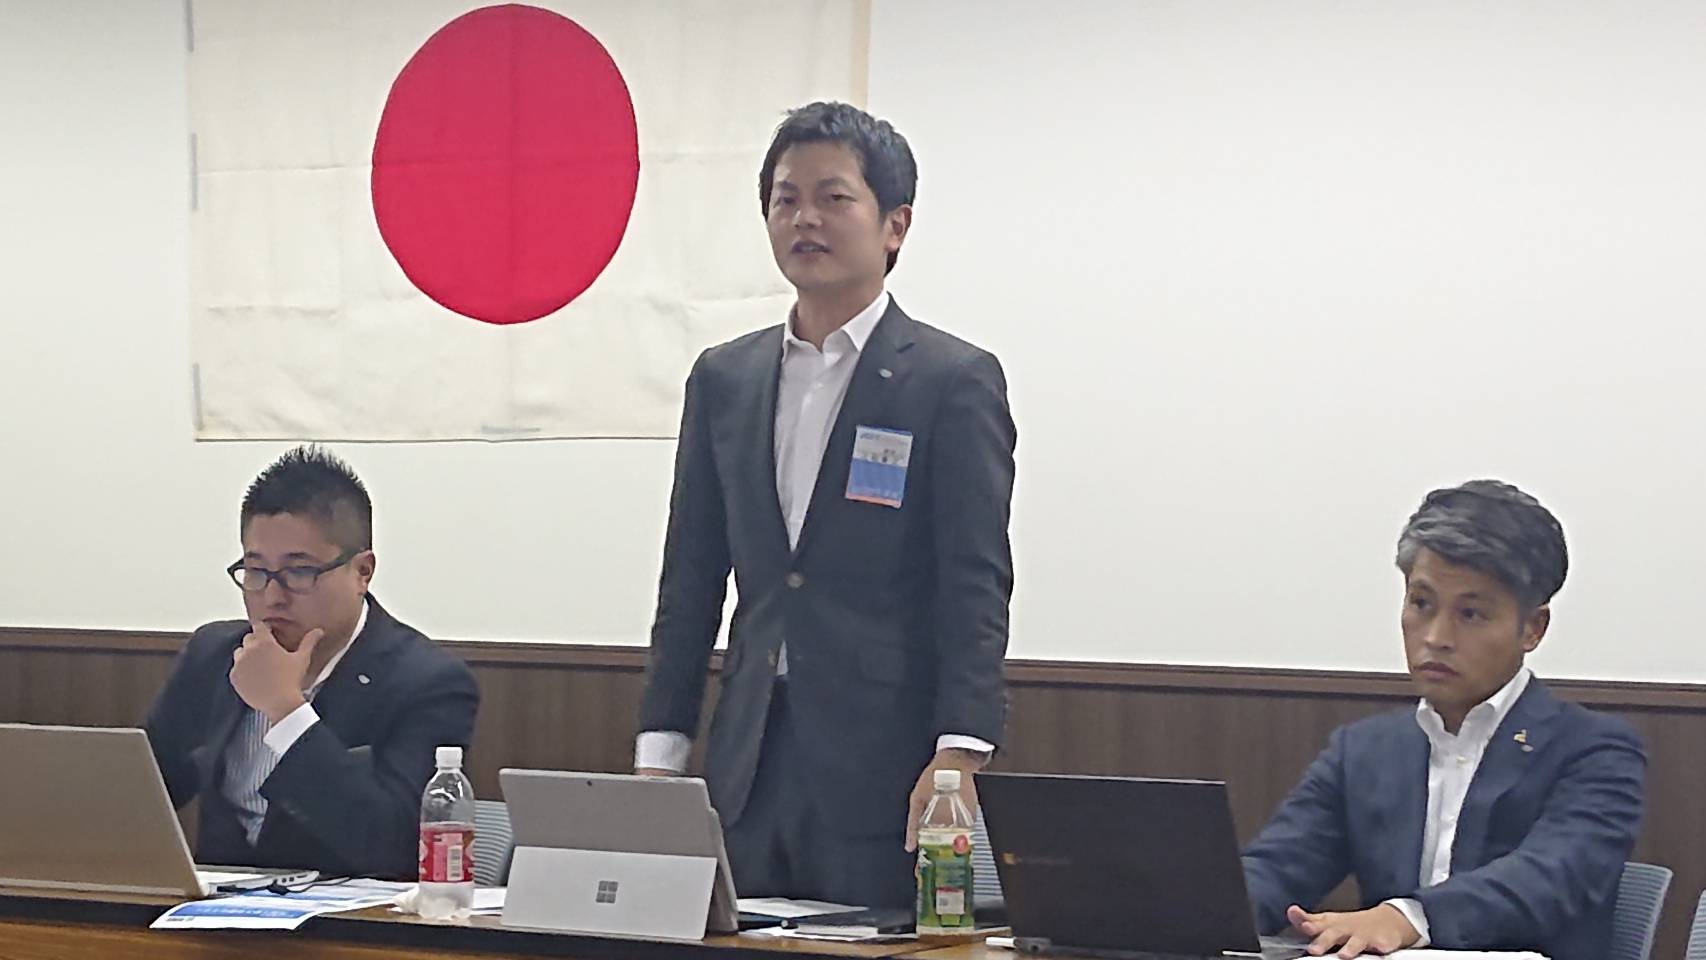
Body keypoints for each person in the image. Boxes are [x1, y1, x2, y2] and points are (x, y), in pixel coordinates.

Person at [635, 101, 1017, 908]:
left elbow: (974, 580)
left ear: (895, 225)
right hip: (746, 760)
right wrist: (659, 753)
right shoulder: (725, 378)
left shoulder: (950, 380)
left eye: (833, 197)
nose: (804, 218)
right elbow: (690, 578)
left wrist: (960, 752)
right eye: (785, 199)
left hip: (885, 767)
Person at [1242, 480, 1644, 960]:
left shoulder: (1595, 751)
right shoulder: (1364, 751)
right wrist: (1201, 911)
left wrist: (1407, 918)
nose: (1435, 637)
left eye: (1470, 614)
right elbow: (1278, 868)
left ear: (1532, 629)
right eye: (1421, 604)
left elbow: (1549, 876)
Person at [144, 445, 479, 879]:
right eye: (256, 571)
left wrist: (286, 711)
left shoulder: (428, 683)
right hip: (216, 911)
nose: (272, 596)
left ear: (362, 572)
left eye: (299, 572)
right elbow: (140, 794)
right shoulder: (214, 656)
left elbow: (395, 848)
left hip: (347, 916)